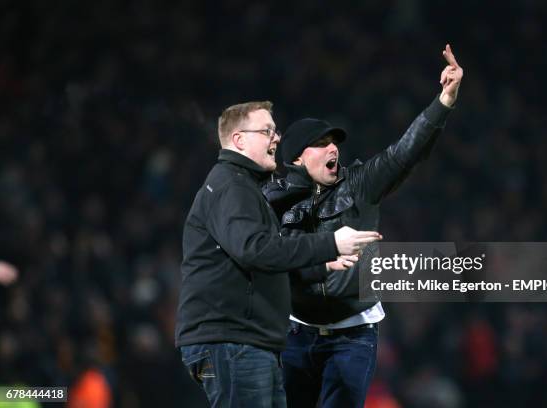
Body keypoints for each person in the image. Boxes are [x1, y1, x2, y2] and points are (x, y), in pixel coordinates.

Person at [263, 44, 464, 407]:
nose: (332, 149)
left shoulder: (359, 184)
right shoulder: (275, 199)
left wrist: (444, 100)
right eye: (320, 144)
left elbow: (405, 152)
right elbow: (268, 257)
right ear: (295, 157)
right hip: (297, 332)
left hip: (352, 334)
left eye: (334, 142)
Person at [175, 100, 382, 408]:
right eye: (267, 131)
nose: (276, 138)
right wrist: (330, 243)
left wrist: (321, 264)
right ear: (239, 140)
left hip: (248, 341)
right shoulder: (231, 186)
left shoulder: (243, 186)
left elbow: (267, 261)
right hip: (233, 341)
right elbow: (256, 250)